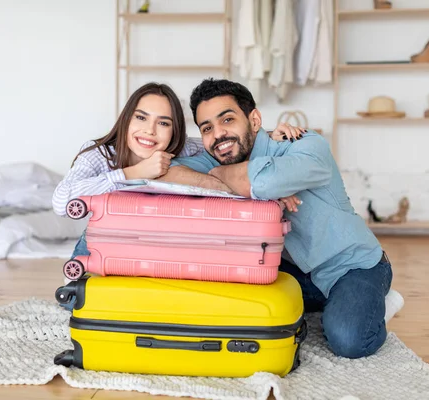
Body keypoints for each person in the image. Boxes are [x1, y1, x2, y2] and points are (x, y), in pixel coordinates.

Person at [159, 78, 393, 359]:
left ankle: (375, 301)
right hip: (289, 271)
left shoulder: (304, 143)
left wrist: (220, 176)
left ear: (254, 119)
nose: (218, 134)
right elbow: (164, 171)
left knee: (349, 340)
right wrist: (226, 178)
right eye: (207, 128)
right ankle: (327, 305)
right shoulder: (221, 158)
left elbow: (268, 183)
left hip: (350, 265)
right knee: (226, 309)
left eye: (228, 120)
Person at [52, 81, 304, 309]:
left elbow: (224, 143)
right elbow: (61, 201)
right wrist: (131, 173)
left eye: (163, 123)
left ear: (174, 132)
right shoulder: (99, 154)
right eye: (141, 118)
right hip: (106, 240)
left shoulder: (181, 149)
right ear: (127, 119)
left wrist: (269, 137)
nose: (150, 131)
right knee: (76, 300)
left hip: (152, 243)